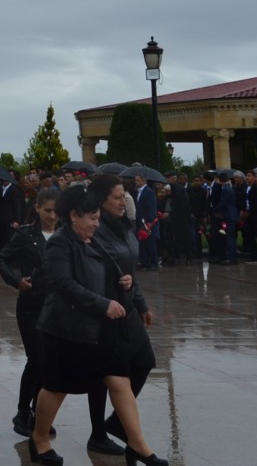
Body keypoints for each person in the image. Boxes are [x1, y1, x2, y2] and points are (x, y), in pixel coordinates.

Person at [30, 184, 167, 466]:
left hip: (101, 330)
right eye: (91, 217)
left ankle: (139, 446)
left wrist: (125, 285)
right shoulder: (60, 242)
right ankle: (40, 439)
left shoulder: (95, 241)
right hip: (66, 330)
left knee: (119, 380)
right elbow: (63, 284)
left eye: (96, 217)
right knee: (56, 388)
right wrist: (102, 304)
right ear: (73, 216)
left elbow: (113, 273)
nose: (96, 223)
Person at [89, 173, 158, 458]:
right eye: (117, 197)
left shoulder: (123, 226)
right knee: (106, 375)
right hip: (104, 311)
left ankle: (116, 422)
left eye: (124, 196)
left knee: (144, 361)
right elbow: (88, 270)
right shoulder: (94, 228)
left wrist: (141, 304)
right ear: (101, 200)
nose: (123, 202)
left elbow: (131, 269)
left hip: (127, 307)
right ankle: (98, 433)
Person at [1, 187, 59, 438]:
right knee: (37, 358)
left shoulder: (65, 235)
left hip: (56, 308)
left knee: (49, 363)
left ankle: (39, 412)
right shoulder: (26, 235)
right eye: (47, 211)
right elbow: (2, 258)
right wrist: (16, 281)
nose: (52, 216)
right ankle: (23, 410)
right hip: (31, 306)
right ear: (36, 208)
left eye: (56, 211)